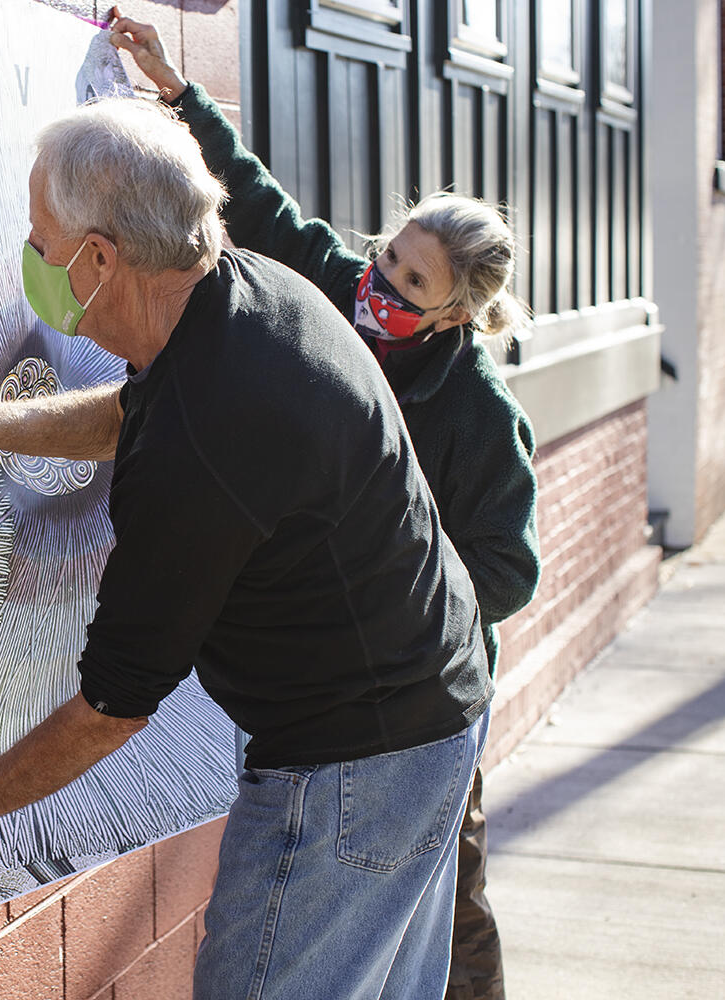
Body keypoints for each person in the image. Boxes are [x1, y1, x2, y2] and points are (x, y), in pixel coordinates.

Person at [0, 95, 493, 1000]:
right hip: (432, 707)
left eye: (40, 242)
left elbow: (114, 707)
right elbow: (134, 411)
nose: (31, 261)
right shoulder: (240, 296)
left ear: (101, 258)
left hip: (358, 762)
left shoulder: (204, 444)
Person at [107, 13, 542, 1000]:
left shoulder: (477, 412)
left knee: (446, 896)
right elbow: (259, 209)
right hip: (348, 674)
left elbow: (510, 566)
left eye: (410, 283)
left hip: (425, 680)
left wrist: (408, 581)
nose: (380, 284)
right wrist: (177, 91)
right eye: (387, 257)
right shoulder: (343, 297)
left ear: (456, 314)